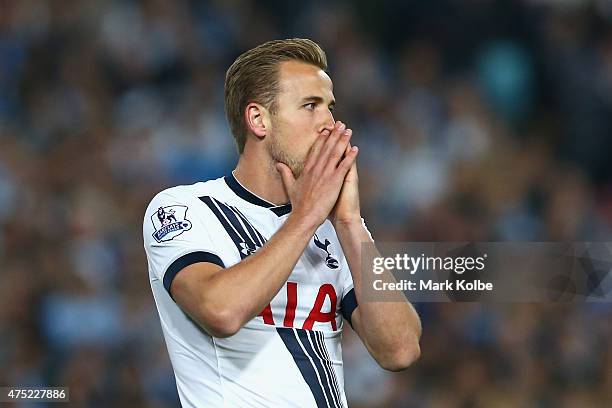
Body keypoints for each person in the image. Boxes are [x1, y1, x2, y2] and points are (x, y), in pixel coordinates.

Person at [143, 38, 421, 408]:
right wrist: (306, 217)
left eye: (329, 107)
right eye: (310, 106)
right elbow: (221, 311)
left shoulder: (333, 231)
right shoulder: (185, 208)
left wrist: (351, 223)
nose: (329, 123)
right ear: (258, 119)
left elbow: (400, 350)